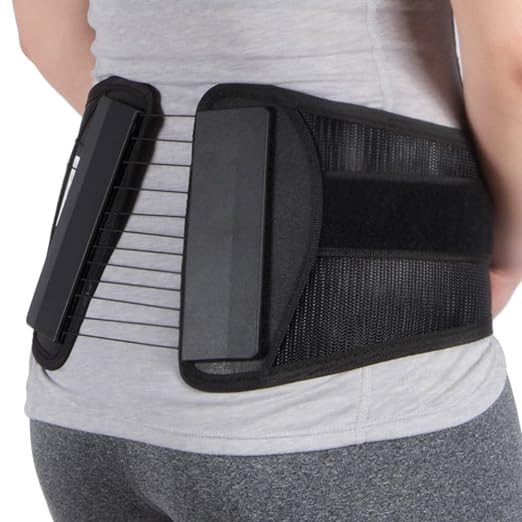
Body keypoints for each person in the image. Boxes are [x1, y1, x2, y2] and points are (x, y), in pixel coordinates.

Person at [14, 0, 522, 520]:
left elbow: (46, 38)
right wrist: (506, 251)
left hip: (86, 389)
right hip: (336, 389)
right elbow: (510, 60)